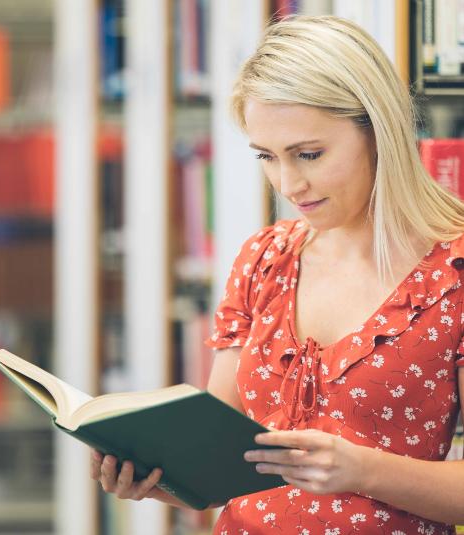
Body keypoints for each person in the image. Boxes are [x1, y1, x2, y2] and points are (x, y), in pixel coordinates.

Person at [90, 14, 464, 534]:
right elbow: (216, 463)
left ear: (378, 131)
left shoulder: (454, 275)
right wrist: (154, 477)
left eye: (309, 154)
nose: (288, 184)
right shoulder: (265, 261)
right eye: (267, 157)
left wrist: (362, 470)